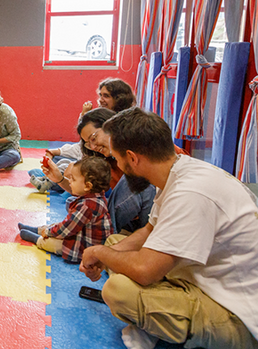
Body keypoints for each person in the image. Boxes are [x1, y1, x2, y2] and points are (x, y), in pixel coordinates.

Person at [80, 108, 258, 349]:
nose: (117, 163)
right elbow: (149, 231)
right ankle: (156, 315)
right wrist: (105, 255)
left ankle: (156, 326)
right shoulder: (176, 171)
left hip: (233, 312)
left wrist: (99, 253)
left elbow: (145, 270)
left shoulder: (189, 192)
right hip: (198, 274)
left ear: (132, 158)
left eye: (117, 158)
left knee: (118, 291)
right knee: (115, 244)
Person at [42, 108, 156, 234]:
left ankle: (99, 233)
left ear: (109, 126)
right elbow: (87, 190)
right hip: (127, 217)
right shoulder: (106, 161)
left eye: (93, 138)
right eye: (88, 143)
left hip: (146, 217)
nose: (93, 147)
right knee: (73, 203)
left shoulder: (134, 154)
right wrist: (59, 179)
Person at [30, 78, 136, 193]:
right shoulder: (101, 148)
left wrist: (77, 169)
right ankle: (54, 178)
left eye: (106, 96)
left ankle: (52, 182)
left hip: (103, 180)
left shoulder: (126, 145)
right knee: (61, 161)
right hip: (94, 166)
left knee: (72, 172)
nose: (101, 100)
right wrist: (60, 177)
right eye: (100, 95)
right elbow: (84, 146)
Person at [18, 156, 112, 263]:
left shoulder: (87, 206)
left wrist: (48, 233)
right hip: (81, 234)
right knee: (58, 225)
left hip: (83, 248)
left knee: (55, 244)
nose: (70, 181)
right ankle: (39, 230)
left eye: (73, 179)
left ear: (87, 186)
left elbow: (67, 228)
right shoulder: (95, 197)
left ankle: (37, 239)